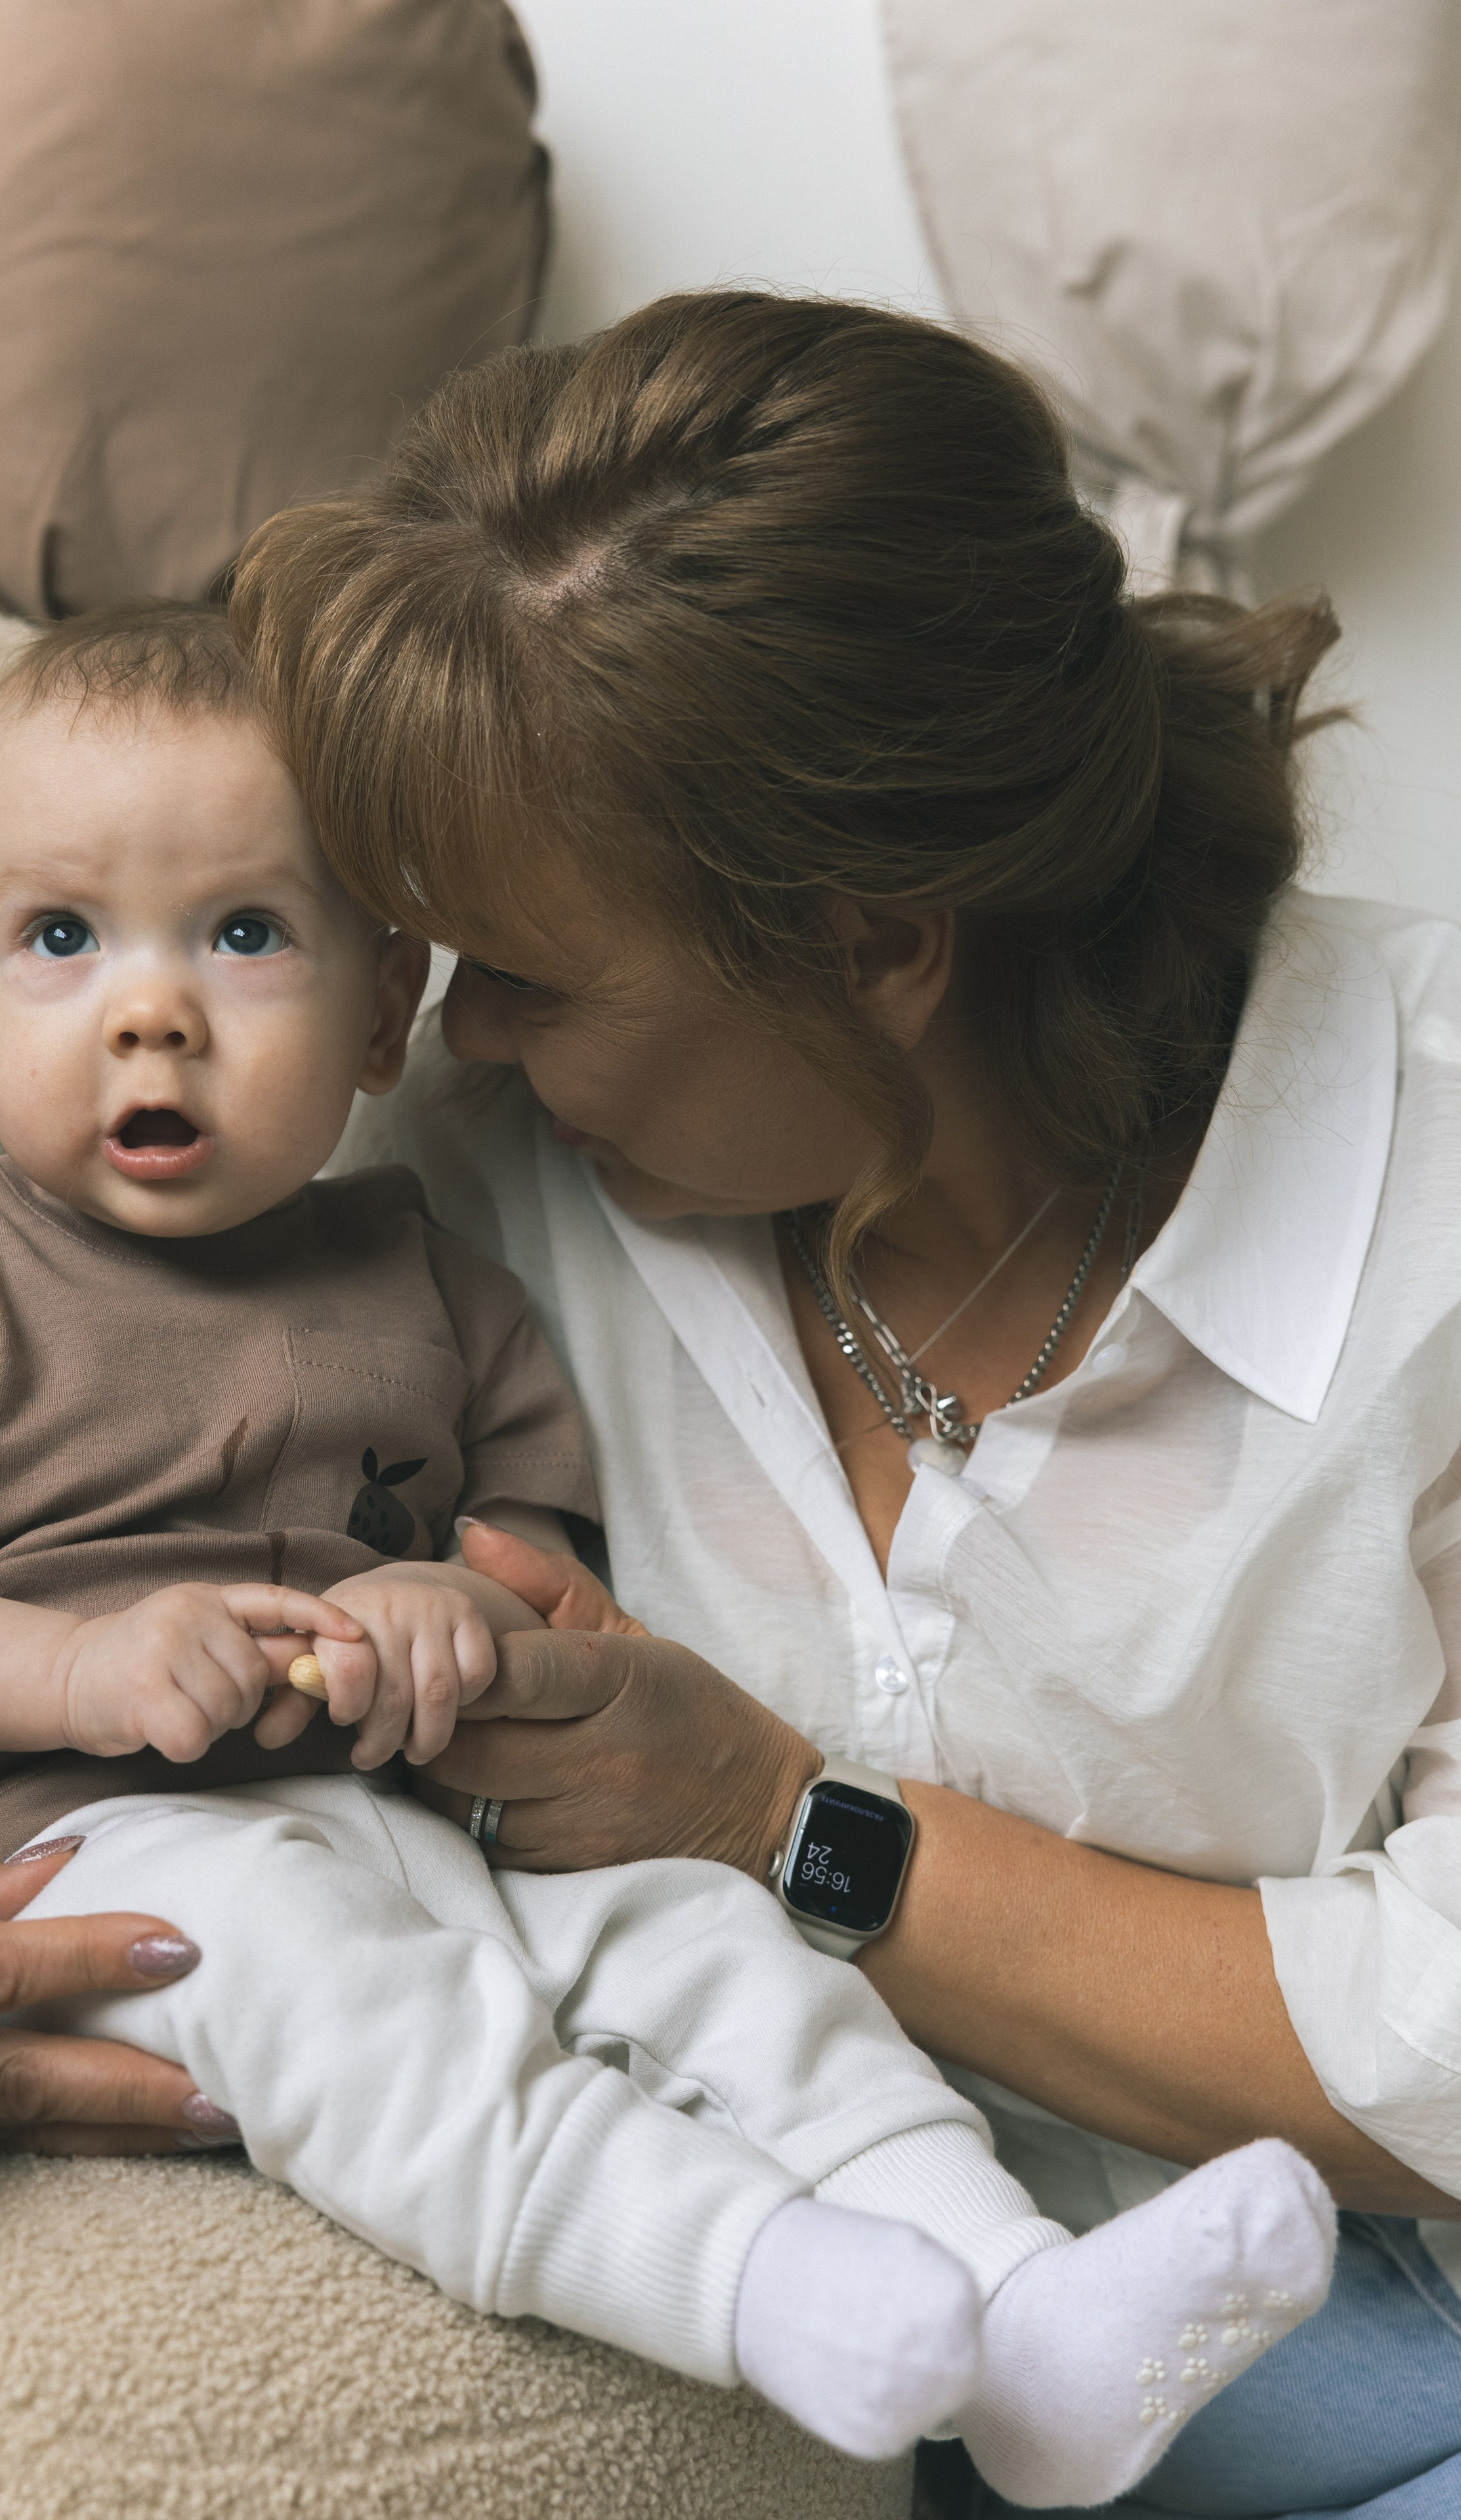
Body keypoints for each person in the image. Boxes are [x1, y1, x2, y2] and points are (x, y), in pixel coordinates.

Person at [0, 602, 1331, 2505]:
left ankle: (1027, 2318)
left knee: (716, 1944)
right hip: (82, 1840)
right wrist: (63, 1670)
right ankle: (755, 2281)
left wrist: (451, 1603)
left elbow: (528, 1542)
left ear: (381, 1013)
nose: (149, 1006)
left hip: (419, 1815)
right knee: (344, 2002)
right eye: (60, 938)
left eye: (244, 934)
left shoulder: (425, 1262)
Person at [226, 291, 1461, 2519]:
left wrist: (787, 1818)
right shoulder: (486, 1187)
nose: (451, 1042)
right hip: (811, 2333)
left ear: (882, 936)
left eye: (520, 971)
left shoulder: (1435, 1206)